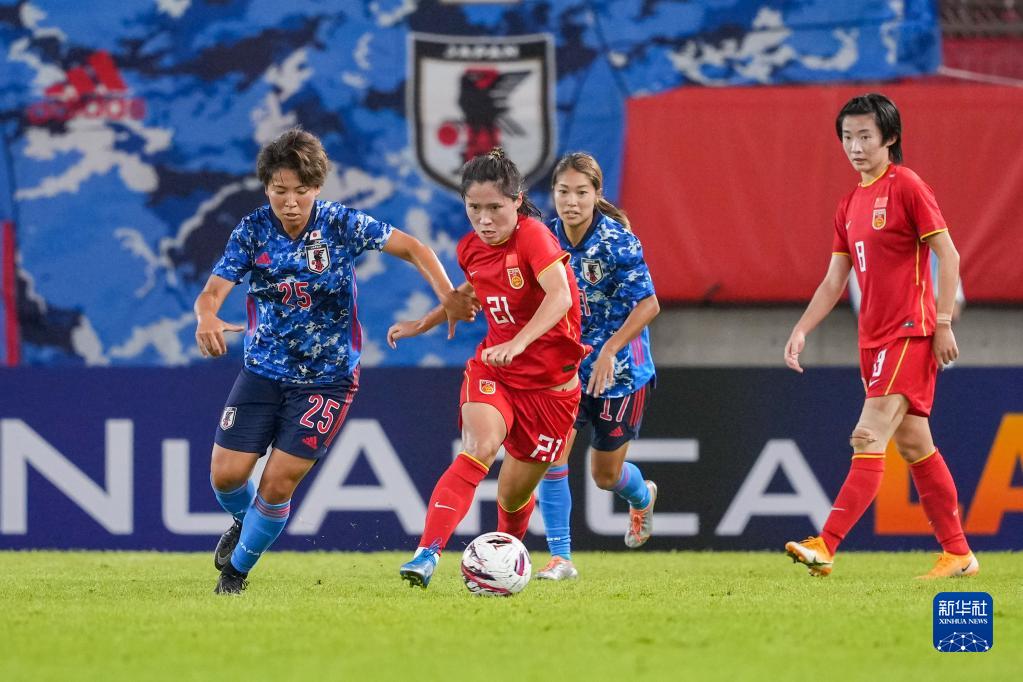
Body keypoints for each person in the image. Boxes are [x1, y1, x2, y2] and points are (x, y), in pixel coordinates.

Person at [195, 128, 475, 594]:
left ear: (318, 187)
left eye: (301, 190)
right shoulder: (251, 231)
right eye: (279, 190)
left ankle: (236, 573)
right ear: (266, 188)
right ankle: (245, 524)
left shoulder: (341, 224)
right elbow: (212, 292)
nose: (290, 202)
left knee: (278, 484)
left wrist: (447, 295)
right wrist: (206, 316)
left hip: (327, 380)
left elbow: (415, 248)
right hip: (262, 371)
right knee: (225, 477)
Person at [783, 93, 977, 579]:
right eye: (847, 137)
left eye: (865, 136)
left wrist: (943, 323)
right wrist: (802, 328)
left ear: (890, 138)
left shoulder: (907, 185)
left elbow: (949, 255)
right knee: (914, 446)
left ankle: (826, 544)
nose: (855, 147)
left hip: (910, 332)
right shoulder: (849, 203)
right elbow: (834, 281)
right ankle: (958, 554)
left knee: (867, 435)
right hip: (872, 340)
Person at [387, 147, 589, 589]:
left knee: (512, 497)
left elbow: (560, 296)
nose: (484, 219)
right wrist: (425, 322)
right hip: (495, 371)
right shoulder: (470, 249)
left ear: (517, 201)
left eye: (495, 207)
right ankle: (426, 555)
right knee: (478, 447)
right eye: (474, 208)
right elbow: (474, 289)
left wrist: (520, 342)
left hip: (552, 391)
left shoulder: (534, 236)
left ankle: (502, 564)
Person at [534, 152, 661, 581]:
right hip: (567, 369)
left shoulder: (617, 241)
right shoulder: (544, 239)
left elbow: (649, 304)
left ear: (596, 195)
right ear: (553, 194)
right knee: (553, 455)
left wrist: (609, 349)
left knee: (605, 476)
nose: (571, 201)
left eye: (581, 193)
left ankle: (641, 497)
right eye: (563, 192)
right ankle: (561, 558)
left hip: (621, 372)